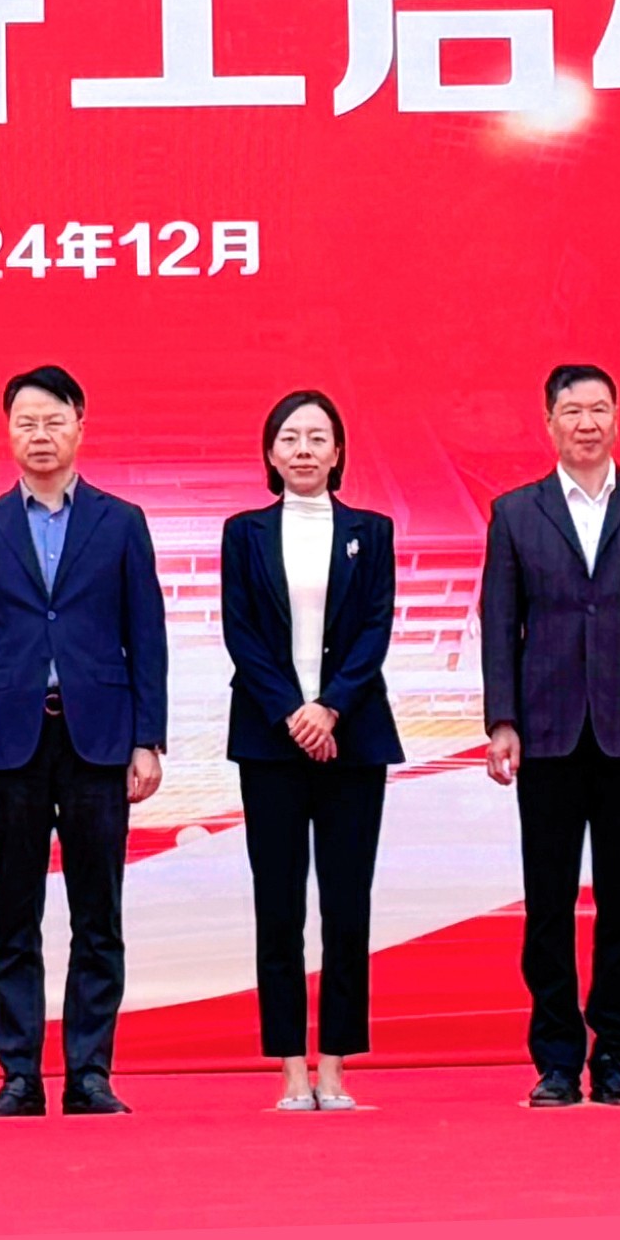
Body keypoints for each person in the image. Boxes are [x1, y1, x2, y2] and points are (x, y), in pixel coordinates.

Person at [0, 364, 166, 1118]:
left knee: (98, 915)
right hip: (9, 745)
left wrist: (148, 740)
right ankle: (19, 1075)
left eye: (53, 421)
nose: (40, 435)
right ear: (9, 433)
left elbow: (147, 636)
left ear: (79, 427)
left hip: (99, 741)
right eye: (26, 423)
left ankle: (90, 1072)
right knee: (14, 916)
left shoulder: (120, 522)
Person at [476, 361, 620, 1107]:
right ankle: (556, 1060)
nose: (587, 423)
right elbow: (500, 624)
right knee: (548, 902)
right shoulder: (516, 512)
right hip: (545, 729)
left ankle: (616, 1056)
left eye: (599, 409)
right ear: (549, 423)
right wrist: (502, 719)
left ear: (617, 418)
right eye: (572, 411)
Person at [218, 389, 401, 1111]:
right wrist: (293, 712)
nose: (303, 449)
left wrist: (330, 708)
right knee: (279, 905)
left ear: (337, 451)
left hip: (353, 738)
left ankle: (335, 1066)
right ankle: (291, 1068)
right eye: (289, 437)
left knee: (347, 906)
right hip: (270, 740)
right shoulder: (243, 533)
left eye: (317, 437)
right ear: (270, 452)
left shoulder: (371, 531)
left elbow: (375, 629)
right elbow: (241, 633)